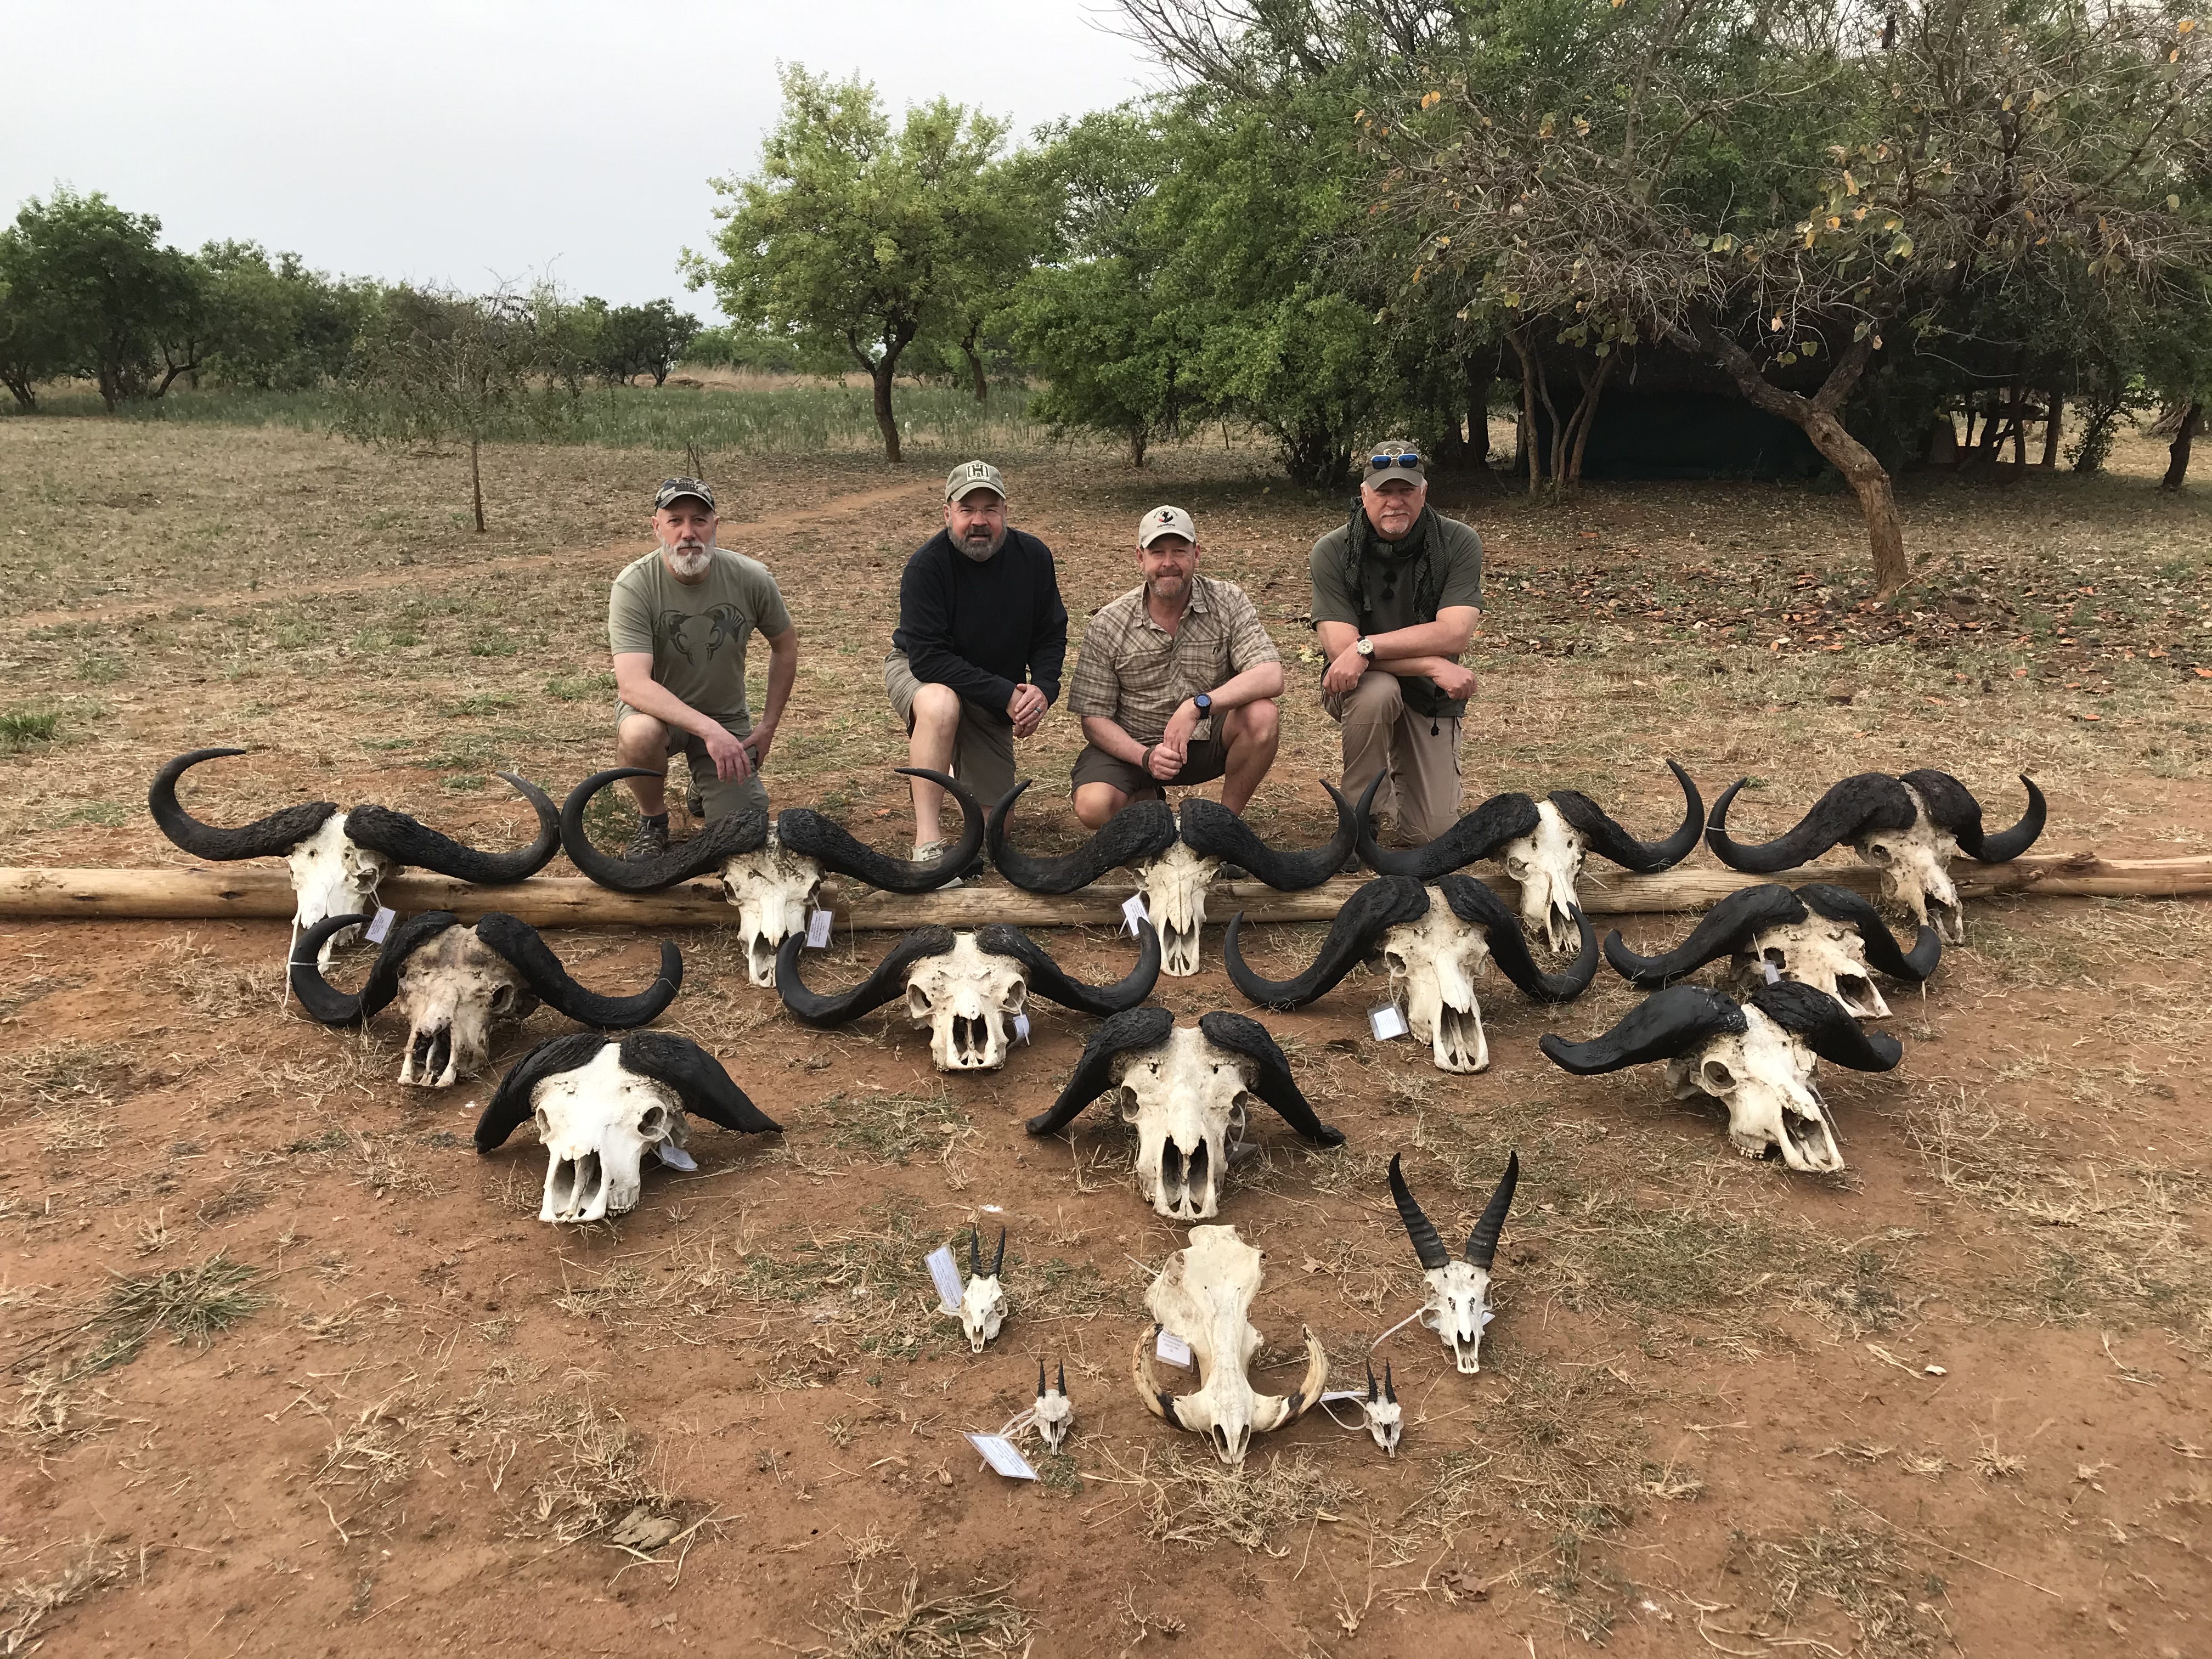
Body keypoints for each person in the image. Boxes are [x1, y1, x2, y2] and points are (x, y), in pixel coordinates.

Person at [885, 460, 1069, 877]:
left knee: (995, 830)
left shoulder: (1034, 557)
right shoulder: (926, 566)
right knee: (941, 706)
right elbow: (929, 659)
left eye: (990, 509)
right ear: (947, 513)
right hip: (923, 672)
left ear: (1005, 512)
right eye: (967, 510)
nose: (979, 521)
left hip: (990, 688)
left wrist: (1042, 689)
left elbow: (1050, 633)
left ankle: (946, 761)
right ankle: (927, 844)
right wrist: (1006, 695)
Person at [606, 477, 798, 861]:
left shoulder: (751, 577)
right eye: (675, 521)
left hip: (725, 717)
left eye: (699, 520)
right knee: (639, 734)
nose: (688, 533)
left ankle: (706, 784)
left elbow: (786, 644)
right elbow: (632, 686)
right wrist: (709, 730)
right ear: (657, 527)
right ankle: (652, 821)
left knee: (743, 835)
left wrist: (767, 726)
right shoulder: (634, 585)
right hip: (660, 716)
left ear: (715, 525)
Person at [1309, 440, 1483, 847]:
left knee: (1432, 835)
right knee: (1378, 693)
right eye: (1384, 491)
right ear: (1364, 495)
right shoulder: (1332, 550)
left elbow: (1454, 633)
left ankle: (1406, 790)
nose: (1395, 502)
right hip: (1358, 684)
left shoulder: (1459, 542)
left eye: (1406, 490)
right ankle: (1359, 821)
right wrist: (1431, 664)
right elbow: (1341, 651)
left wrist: (1366, 648)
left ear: (1424, 492)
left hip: (1428, 695)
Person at [1065, 505, 1284, 830]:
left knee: (1263, 716)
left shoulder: (1229, 600)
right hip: (1133, 748)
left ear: (1196, 554)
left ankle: (1223, 827)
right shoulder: (1108, 623)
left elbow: (1271, 674)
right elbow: (1093, 720)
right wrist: (1144, 757)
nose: (1168, 563)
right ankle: (1145, 800)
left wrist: (1197, 707)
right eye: (1157, 553)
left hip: (1206, 740)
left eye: (1179, 551)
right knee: (1093, 807)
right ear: (1140, 558)